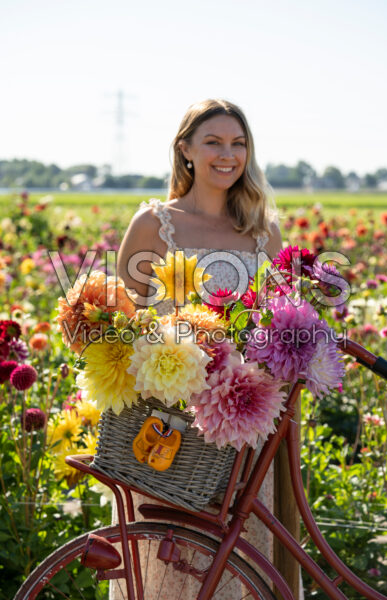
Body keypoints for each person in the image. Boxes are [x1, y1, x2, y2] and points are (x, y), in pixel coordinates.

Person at [116, 98, 301, 599]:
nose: (228, 154)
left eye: (238, 143)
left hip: (239, 429)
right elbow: (121, 327)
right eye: (214, 142)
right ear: (186, 151)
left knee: (235, 565)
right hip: (167, 425)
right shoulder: (155, 224)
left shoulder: (263, 233)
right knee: (166, 565)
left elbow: (276, 329)